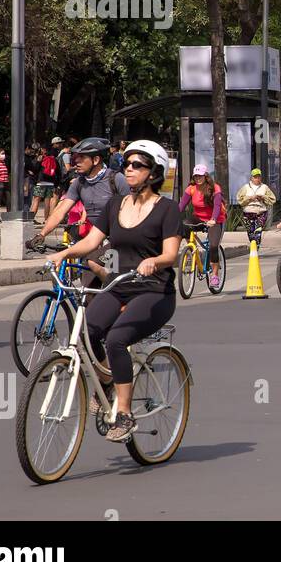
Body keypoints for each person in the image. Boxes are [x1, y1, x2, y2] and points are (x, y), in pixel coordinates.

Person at [46, 140, 180, 442]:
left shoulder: (167, 209)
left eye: (137, 165)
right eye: (127, 164)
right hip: (118, 286)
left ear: (154, 172)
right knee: (86, 333)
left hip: (154, 291)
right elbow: (92, 242)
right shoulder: (115, 205)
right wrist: (64, 254)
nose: (129, 169)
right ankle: (108, 380)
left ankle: (124, 413)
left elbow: (171, 254)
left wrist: (154, 261)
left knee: (117, 338)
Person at [34, 138, 133, 280]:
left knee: (99, 266)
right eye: (75, 157)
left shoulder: (116, 179)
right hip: (92, 239)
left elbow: (134, 211)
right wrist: (41, 234)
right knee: (87, 288)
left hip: (117, 241)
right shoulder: (79, 183)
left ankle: (116, 292)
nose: (76, 162)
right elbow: (60, 212)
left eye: (81, 158)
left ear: (96, 160)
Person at [178, 164, 227, 289]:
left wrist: (213, 219)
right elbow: (181, 206)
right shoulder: (191, 189)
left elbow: (217, 206)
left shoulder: (214, 188)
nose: (198, 178)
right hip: (198, 218)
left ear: (206, 176)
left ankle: (214, 275)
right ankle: (192, 250)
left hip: (215, 220)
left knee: (213, 246)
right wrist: (172, 216)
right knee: (183, 224)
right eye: (196, 176)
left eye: (200, 176)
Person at [236, 168, 277, 248]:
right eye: (255, 177)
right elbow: (239, 199)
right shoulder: (245, 187)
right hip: (248, 212)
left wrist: (263, 197)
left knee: (258, 231)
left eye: (258, 177)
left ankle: (256, 247)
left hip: (261, 212)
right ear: (251, 178)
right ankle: (253, 247)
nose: (257, 179)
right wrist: (250, 198)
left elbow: (273, 199)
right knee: (250, 232)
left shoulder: (264, 187)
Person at [30, 141, 61, 224]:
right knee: (47, 202)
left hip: (40, 183)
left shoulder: (41, 158)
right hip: (51, 184)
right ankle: (46, 220)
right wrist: (56, 184)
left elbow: (35, 169)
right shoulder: (54, 159)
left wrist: (38, 161)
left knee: (36, 200)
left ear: (43, 149)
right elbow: (58, 173)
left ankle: (31, 219)